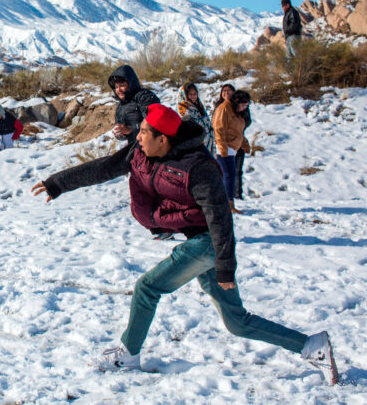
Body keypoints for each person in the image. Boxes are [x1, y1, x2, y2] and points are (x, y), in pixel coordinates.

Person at [31, 103, 338, 385]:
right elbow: (106, 167)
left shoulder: (198, 168)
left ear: (163, 139)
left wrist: (226, 271)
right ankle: (312, 346)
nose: (138, 138)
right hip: (198, 241)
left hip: (209, 244)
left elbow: (221, 220)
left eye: (144, 133)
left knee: (147, 288)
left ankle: (128, 354)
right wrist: (59, 183)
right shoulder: (141, 152)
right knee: (237, 322)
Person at [212, 90, 251, 213]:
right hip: (224, 148)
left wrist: (244, 143)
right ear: (238, 101)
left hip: (232, 148)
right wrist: (223, 149)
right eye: (244, 105)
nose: (245, 108)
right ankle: (228, 204)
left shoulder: (235, 111)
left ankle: (226, 203)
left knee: (230, 175)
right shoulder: (224, 109)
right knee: (229, 175)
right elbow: (218, 129)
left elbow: (237, 130)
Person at [108, 65, 160, 146]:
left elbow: (156, 120)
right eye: (116, 87)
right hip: (135, 148)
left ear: (130, 83)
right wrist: (120, 132)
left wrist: (132, 128)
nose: (118, 90)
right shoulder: (120, 106)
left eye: (122, 85)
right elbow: (123, 135)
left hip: (153, 146)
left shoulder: (144, 96)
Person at [177, 83, 215, 154]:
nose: (193, 96)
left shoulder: (199, 105)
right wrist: (205, 121)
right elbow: (190, 123)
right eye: (190, 94)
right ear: (185, 94)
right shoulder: (182, 107)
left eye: (195, 94)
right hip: (192, 143)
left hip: (204, 142)